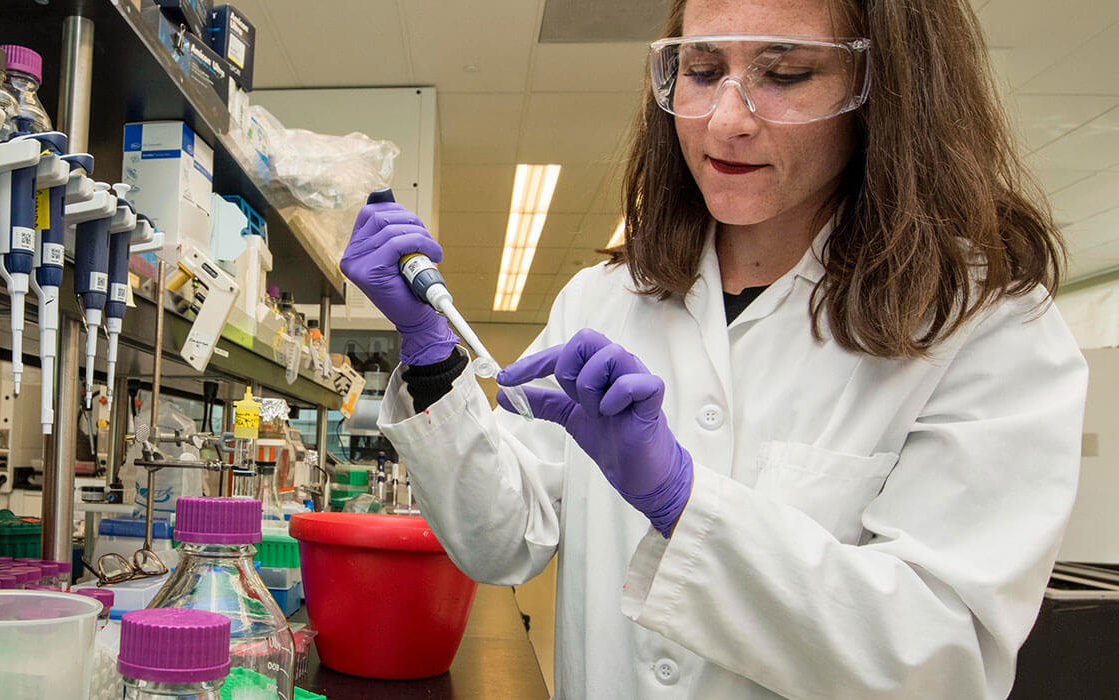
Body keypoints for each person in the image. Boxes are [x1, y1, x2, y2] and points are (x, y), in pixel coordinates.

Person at [338, 0, 1087, 697]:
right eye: (700, 71)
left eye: (785, 74)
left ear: (885, 91)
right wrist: (433, 353)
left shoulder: (984, 324)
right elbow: (502, 541)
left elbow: (942, 658)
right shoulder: (605, 300)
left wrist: (681, 501)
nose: (726, 118)